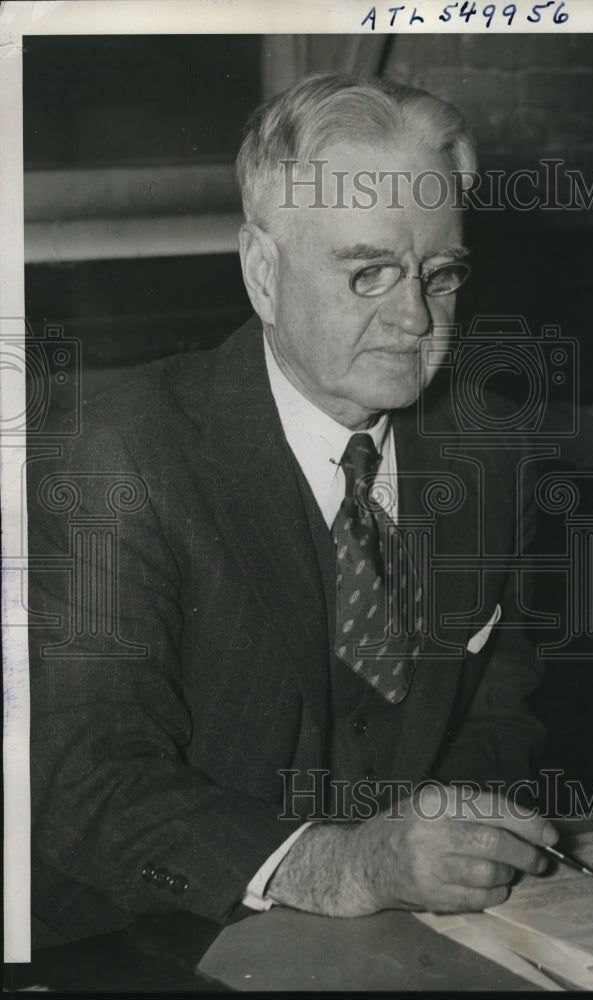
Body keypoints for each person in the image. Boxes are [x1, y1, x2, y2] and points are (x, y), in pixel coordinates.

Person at [28, 72, 555, 945]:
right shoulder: (123, 453)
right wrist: (344, 867)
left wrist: (455, 841)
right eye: (368, 272)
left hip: (414, 939)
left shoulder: (492, 450)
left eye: (440, 274)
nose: (414, 318)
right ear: (263, 274)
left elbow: (499, 712)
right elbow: (88, 781)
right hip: (156, 937)